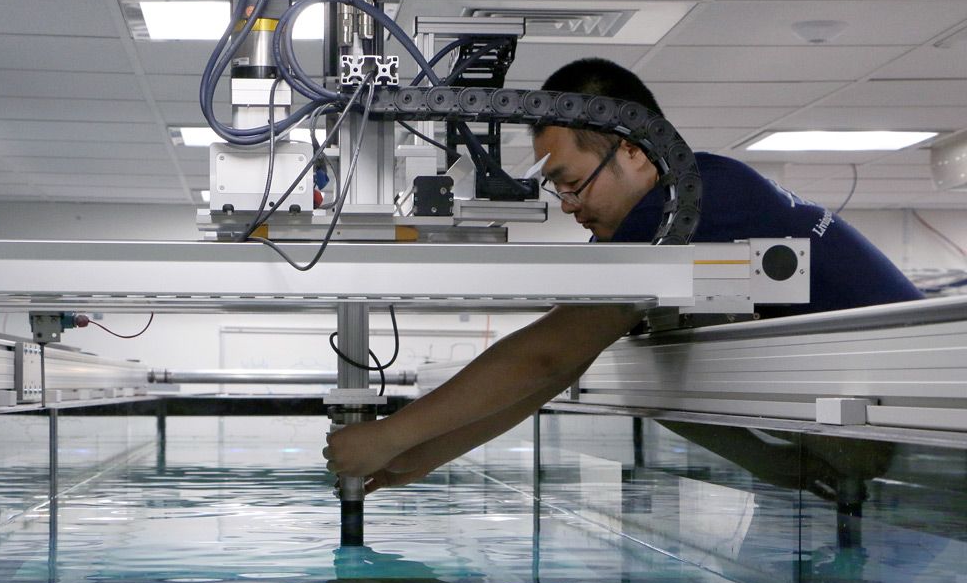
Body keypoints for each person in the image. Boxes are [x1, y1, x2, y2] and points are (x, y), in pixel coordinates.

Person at [323, 58, 924, 494]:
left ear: (633, 149)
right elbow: (562, 368)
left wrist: (389, 436)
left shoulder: (684, 205)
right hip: (884, 438)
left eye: (571, 180)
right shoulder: (698, 198)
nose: (567, 203)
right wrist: (424, 455)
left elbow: (549, 356)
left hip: (925, 429)